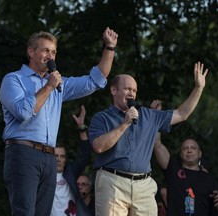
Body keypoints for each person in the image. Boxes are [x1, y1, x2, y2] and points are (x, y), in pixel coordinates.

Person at [0, 27, 118, 216]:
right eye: (46, 50)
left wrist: (109, 48)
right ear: (31, 52)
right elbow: (23, 112)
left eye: (54, 52)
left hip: (49, 157)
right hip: (23, 153)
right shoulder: (13, 80)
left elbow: (95, 81)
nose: (51, 56)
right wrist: (49, 86)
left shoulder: (58, 84)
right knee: (24, 212)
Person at [88, 62, 208, 216]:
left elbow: (182, 114)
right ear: (113, 90)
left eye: (134, 90)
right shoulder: (102, 118)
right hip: (113, 182)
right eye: (127, 89)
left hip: (143, 186)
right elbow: (98, 147)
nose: (132, 93)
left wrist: (199, 88)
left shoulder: (148, 116)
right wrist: (124, 124)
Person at [152, 100, 218, 216]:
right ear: (181, 154)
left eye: (193, 148)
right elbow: (157, 145)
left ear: (200, 154)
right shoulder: (173, 168)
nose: (189, 150)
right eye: (185, 148)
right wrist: (156, 115)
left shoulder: (209, 179)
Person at [51, 105, 93, 216]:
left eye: (62, 156)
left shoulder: (70, 172)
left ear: (65, 159)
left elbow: (84, 154)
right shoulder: (44, 174)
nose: (59, 159)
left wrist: (82, 128)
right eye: (56, 156)